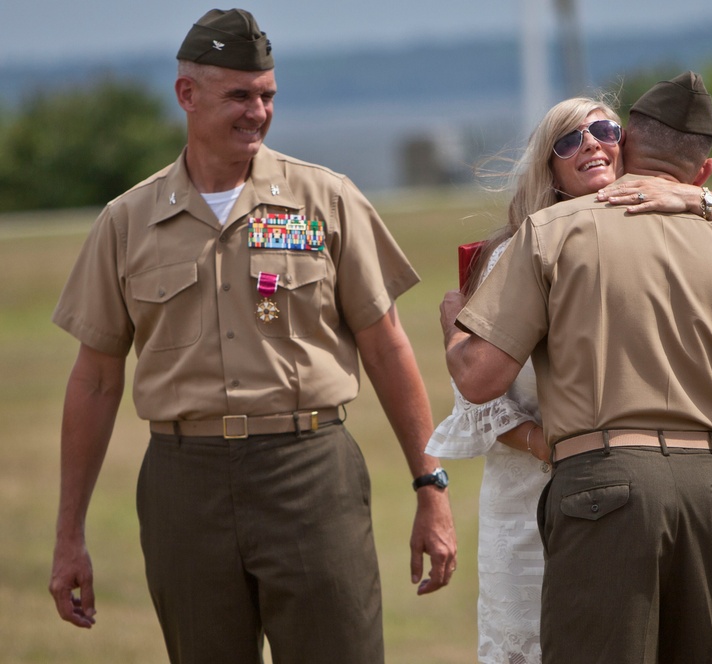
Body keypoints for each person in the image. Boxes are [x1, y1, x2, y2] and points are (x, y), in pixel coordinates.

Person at [47, 9, 456, 663]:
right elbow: (94, 380)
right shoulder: (127, 221)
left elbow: (388, 346)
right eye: (239, 95)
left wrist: (430, 489)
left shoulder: (327, 200)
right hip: (185, 485)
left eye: (267, 95)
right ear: (187, 94)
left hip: (310, 472)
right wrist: (69, 535)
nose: (258, 112)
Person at [429, 86, 712, 663]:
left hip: (592, 491)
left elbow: (478, 378)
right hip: (703, 493)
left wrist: (453, 329)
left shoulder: (548, 236)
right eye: (570, 139)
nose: (592, 144)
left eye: (606, 132)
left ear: (631, 146)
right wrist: (690, 458)